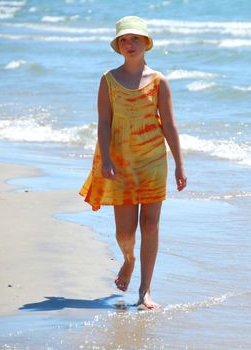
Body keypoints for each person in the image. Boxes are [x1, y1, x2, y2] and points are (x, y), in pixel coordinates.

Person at [79, 16, 187, 310]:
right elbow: (103, 122)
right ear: (117, 46)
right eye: (124, 40)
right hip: (120, 164)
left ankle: (145, 291)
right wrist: (106, 158)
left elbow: (170, 125)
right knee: (125, 232)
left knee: (150, 226)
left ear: (146, 43)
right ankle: (129, 259)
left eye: (135, 39)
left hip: (153, 161)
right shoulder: (108, 80)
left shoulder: (159, 81)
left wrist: (179, 163)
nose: (129, 44)